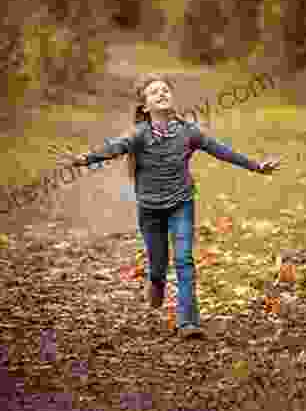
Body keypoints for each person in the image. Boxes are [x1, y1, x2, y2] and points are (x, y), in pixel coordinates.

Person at [68, 73, 281, 338]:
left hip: (181, 202)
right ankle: (156, 281)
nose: (161, 93)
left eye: (165, 90)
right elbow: (115, 147)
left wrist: (256, 166)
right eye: (154, 91)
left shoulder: (188, 132)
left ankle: (188, 322)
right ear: (145, 106)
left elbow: (221, 149)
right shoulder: (140, 134)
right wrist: (84, 159)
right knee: (158, 263)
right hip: (150, 209)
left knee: (184, 259)